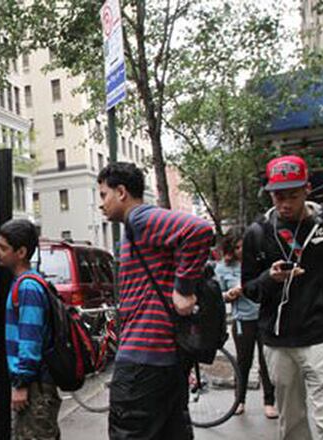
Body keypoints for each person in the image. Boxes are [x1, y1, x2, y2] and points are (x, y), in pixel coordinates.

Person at [242, 155, 323, 440]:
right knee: (292, 424)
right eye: (278, 196)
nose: (285, 204)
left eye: (292, 196)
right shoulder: (258, 233)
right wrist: (270, 278)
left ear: (307, 189)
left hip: (322, 337)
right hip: (278, 342)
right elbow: (249, 288)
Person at [97, 162, 213, 440]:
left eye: (103, 195)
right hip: (165, 359)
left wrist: (183, 289)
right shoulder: (137, 227)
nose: (101, 203)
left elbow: (198, 229)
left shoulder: (140, 218)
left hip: (142, 360)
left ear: (121, 192)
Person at [0, 219, 60, 440]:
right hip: (37, 383)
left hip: (35, 386)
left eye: (3, 248)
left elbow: (30, 340)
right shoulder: (27, 282)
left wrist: (22, 383)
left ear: (21, 252)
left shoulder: (27, 287)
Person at [215, 231, 277, 418]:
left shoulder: (259, 263)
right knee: (243, 361)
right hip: (243, 319)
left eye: (244, 246)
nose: (241, 250)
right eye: (237, 247)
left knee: (267, 361)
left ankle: (269, 402)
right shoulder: (223, 268)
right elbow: (216, 295)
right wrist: (229, 295)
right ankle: (239, 400)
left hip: (264, 316)